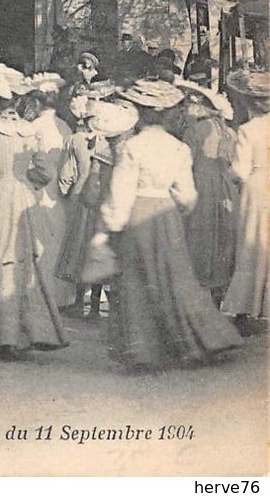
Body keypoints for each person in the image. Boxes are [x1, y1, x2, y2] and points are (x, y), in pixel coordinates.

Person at [97, 79, 242, 371]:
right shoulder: (178, 147)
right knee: (175, 277)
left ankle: (143, 350)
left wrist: (113, 223)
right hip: (166, 213)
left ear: (141, 112)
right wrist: (180, 211)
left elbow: (121, 191)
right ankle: (202, 338)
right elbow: (187, 194)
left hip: (138, 214)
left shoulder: (131, 147)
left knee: (137, 279)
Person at [0, 81, 67, 357]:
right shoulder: (29, 130)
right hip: (25, 196)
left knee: (0, 259)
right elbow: (45, 171)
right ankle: (29, 332)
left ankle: (3, 335)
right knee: (25, 261)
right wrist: (28, 182)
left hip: (0, 196)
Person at [56, 98, 138, 320]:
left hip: (96, 206)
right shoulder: (130, 146)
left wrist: (87, 201)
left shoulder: (103, 146)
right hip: (120, 206)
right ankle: (99, 307)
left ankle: (83, 304)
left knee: (86, 253)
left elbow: (94, 179)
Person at [174, 90, 237, 307]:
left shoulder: (194, 130)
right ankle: (217, 300)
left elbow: (185, 162)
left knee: (198, 238)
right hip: (224, 187)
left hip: (200, 184)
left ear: (200, 106)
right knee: (221, 239)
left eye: (189, 104)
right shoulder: (228, 131)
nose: (185, 109)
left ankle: (195, 299)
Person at [17, 75, 75, 309]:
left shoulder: (33, 128)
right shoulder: (64, 126)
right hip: (59, 191)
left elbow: (26, 160)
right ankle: (61, 294)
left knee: (37, 240)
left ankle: (39, 291)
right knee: (56, 237)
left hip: (38, 186)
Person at [222, 70, 269, 334]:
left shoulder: (247, 130)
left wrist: (226, 172)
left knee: (251, 243)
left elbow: (240, 170)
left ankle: (247, 305)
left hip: (256, 186)